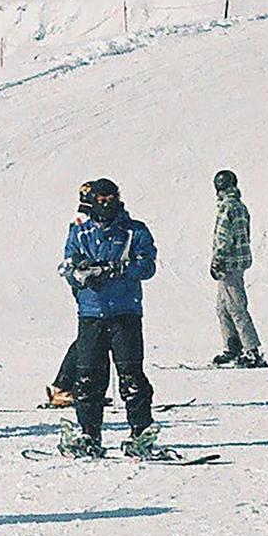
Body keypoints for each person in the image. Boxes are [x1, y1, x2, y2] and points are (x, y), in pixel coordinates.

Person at [56, 178, 160, 458]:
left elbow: (148, 264)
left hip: (124, 312)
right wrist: (81, 273)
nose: (106, 204)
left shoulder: (133, 231)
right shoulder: (81, 232)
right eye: (100, 200)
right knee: (88, 378)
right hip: (91, 313)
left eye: (110, 198)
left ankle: (140, 433)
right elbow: (67, 264)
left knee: (132, 377)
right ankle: (89, 434)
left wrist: (118, 269)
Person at [207, 169, 265, 367]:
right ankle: (232, 347)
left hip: (229, 264)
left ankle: (251, 351)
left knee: (236, 307)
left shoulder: (227, 207)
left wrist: (218, 259)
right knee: (223, 308)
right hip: (236, 263)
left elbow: (224, 237)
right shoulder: (240, 206)